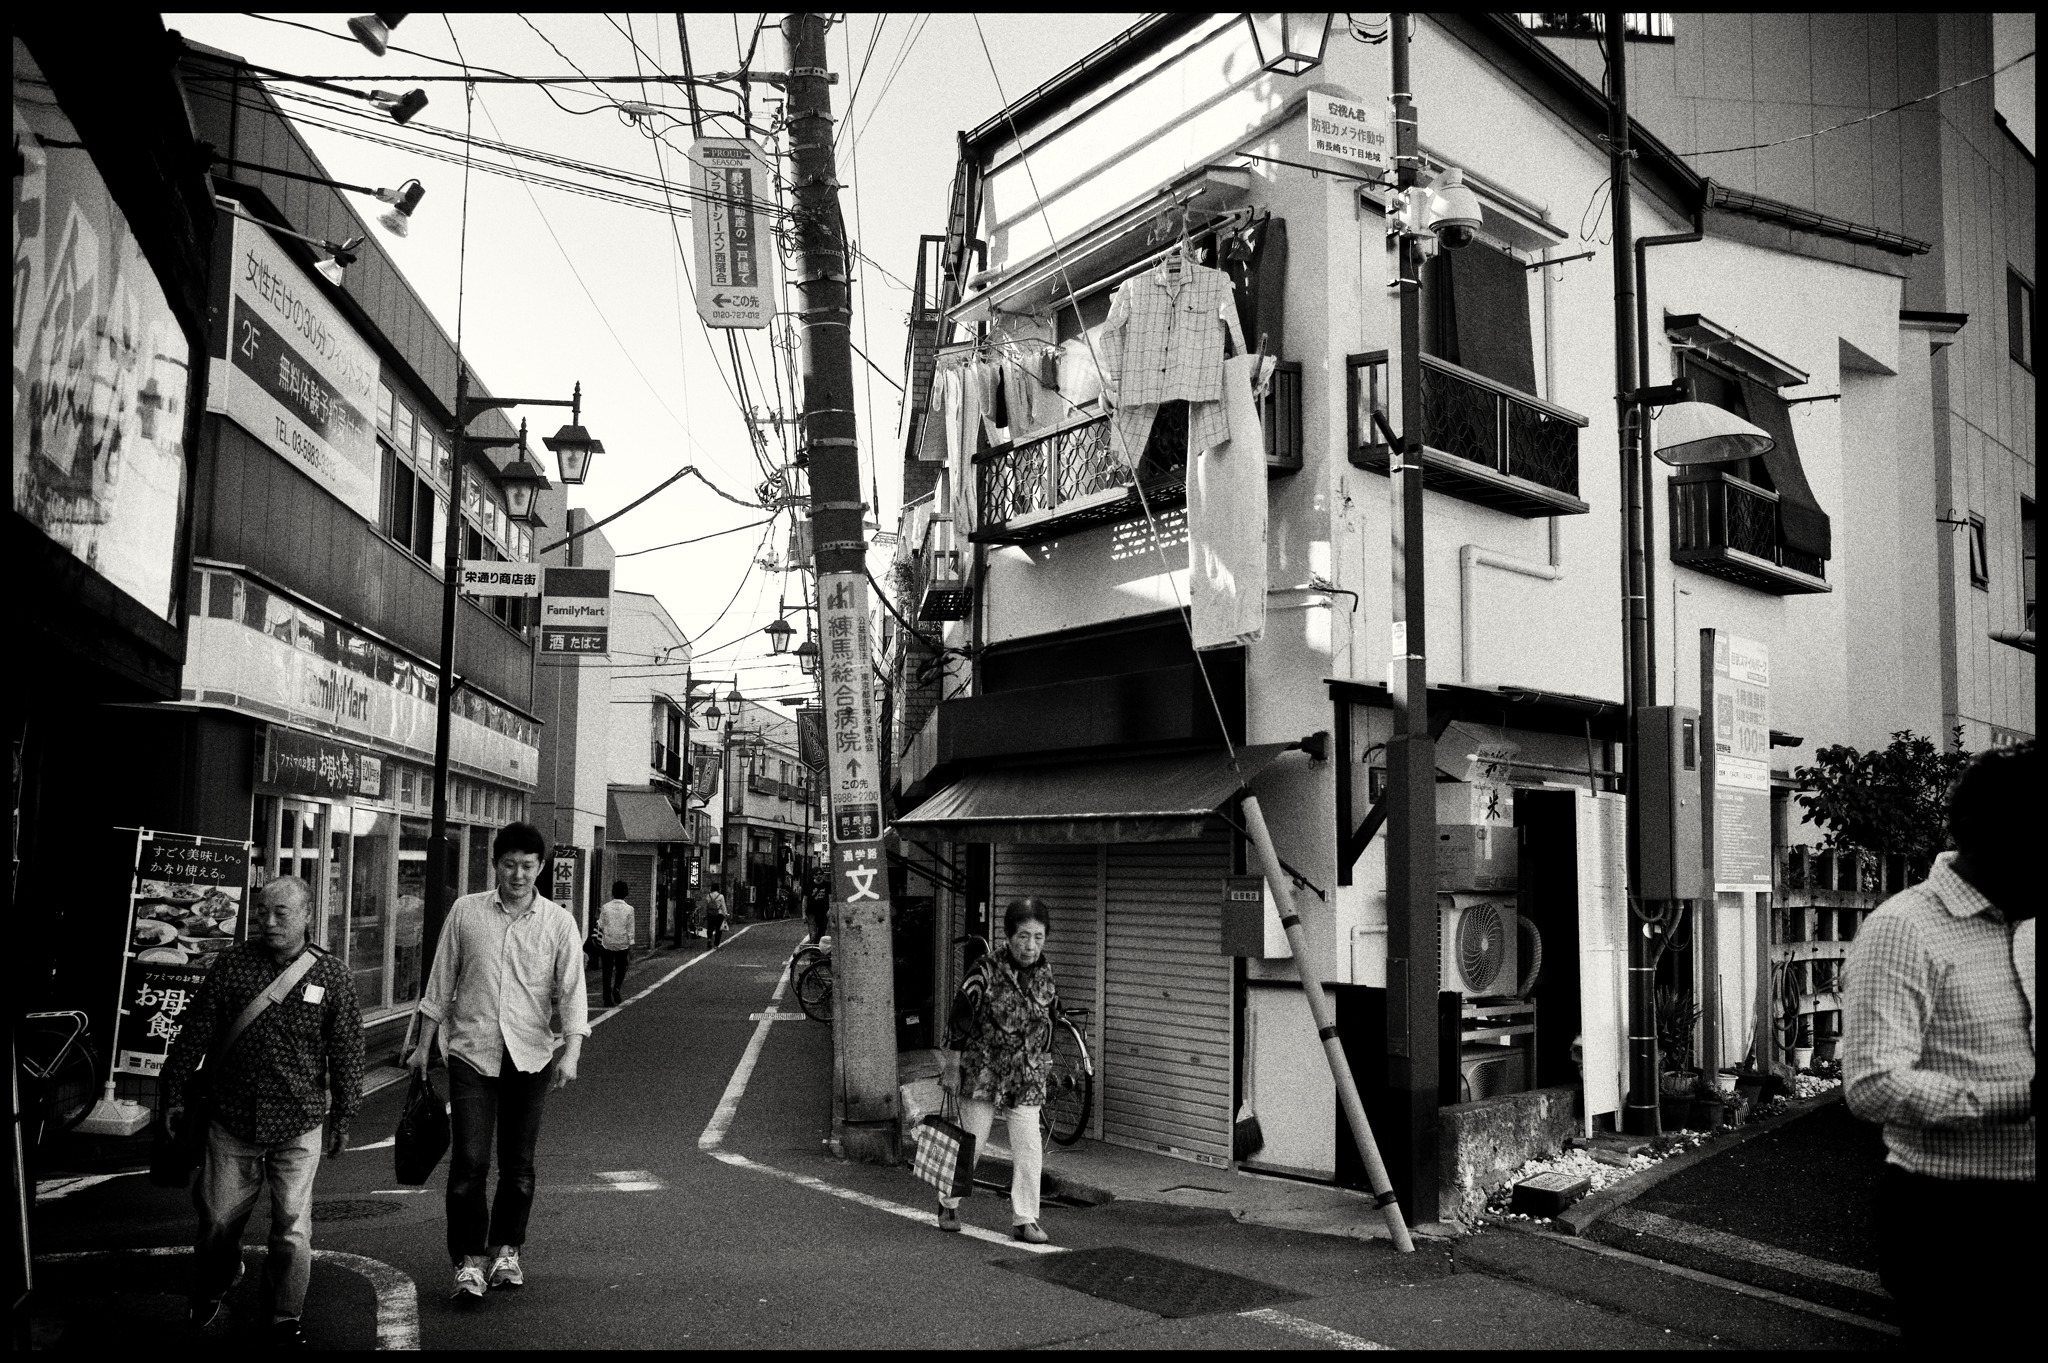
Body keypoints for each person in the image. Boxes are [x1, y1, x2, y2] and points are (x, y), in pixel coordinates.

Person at [1844, 742, 2037, 1349]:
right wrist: (2020, 1098)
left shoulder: (2031, 921)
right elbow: (1873, 1085)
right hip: (1955, 1219)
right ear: (1999, 840)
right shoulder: (1904, 928)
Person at [161, 875, 363, 1346]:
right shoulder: (232, 965)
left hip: (299, 1120)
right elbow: (197, 1029)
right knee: (217, 1220)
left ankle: (284, 1315)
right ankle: (217, 1279)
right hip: (231, 1116)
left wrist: (344, 1115)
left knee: (292, 1230)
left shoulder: (333, 975)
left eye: (281, 913)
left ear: (307, 915)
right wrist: (173, 1093)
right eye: (262, 912)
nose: (268, 921)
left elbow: (348, 1050)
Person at [407, 822, 588, 1302]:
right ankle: (469, 1261)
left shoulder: (558, 923)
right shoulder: (466, 912)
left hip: (531, 1055)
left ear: (541, 868)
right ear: (495, 865)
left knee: (518, 1163)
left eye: (527, 866)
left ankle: (506, 1249)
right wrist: (423, 1045)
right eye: (509, 864)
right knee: (469, 1161)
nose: (518, 874)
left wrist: (571, 1051)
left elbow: (572, 992)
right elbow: (440, 982)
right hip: (472, 1052)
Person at [936, 898, 1058, 1244]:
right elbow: (959, 1017)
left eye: (1038, 937)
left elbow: (1049, 1021)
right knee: (972, 1144)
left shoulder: (1046, 975)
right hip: (983, 1071)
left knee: (1029, 1147)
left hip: (1026, 1074)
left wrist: (1046, 1061)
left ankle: (1025, 1219)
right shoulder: (985, 970)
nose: (1030, 945)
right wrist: (952, 1067)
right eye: (1023, 936)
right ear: (1008, 936)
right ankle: (948, 1202)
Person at [595, 881, 635, 1008]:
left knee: (607, 971)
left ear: (613, 892)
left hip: (607, 943)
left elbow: (601, 925)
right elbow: (630, 929)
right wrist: (631, 944)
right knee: (621, 968)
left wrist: (598, 918)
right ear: (626, 893)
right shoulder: (629, 909)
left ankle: (607, 998)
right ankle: (617, 987)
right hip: (622, 943)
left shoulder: (605, 907)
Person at [703, 884, 728, 949]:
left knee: (710, 928)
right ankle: (716, 944)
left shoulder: (708, 896)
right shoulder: (721, 896)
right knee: (718, 929)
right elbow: (723, 906)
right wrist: (725, 914)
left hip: (710, 914)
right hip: (719, 914)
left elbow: (706, 906)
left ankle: (709, 939)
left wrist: (705, 914)